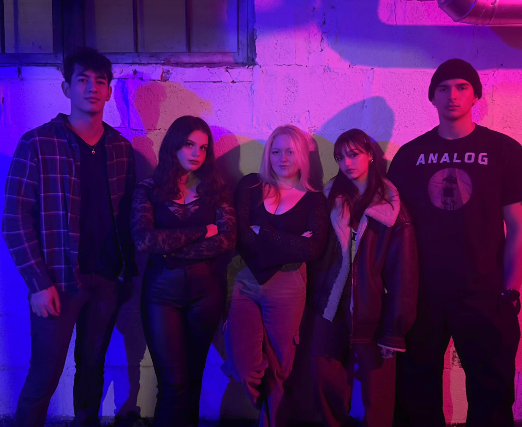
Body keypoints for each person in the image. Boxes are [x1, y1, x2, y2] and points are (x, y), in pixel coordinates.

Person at [2, 47, 136, 427]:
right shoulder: (37, 143)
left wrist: (125, 274)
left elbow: (127, 217)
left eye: (100, 81)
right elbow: (14, 219)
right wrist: (38, 283)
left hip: (106, 281)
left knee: (92, 370)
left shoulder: (121, 149)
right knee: (44, 376)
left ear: (109, 91)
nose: (92, 88)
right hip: (58, 283)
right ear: (66, 88)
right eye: (82, 80)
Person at [388, 58, 522, 427]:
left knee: (492, 392)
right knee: (415, 392)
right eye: (444, 88)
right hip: (422, 292)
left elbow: (517, 227)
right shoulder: (409, 156)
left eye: (462, 87)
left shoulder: (504, 151)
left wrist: (511, 292)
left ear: (476, 95)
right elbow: (393, 228)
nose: (453, 95)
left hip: (484, 290)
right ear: (432, 97)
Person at [130, 115, 236, 427]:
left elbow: (227, 239)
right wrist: (203, 230)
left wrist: (170, 246)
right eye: (189, 144)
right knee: (173, 384)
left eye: (203, 147)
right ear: (174, 144)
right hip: (161, 295)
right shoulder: (149, 189)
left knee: (192, 379)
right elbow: (144, 240)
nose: (196, 153)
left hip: (206, 294)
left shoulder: (216, 189)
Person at [308, 129, 418, 427]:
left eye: (353, 154)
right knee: (324, 379)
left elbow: (404, 272)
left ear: (370, 154)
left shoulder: (392, 207)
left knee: (378, 390)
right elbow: (317, 257)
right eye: (340, 157)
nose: (346, 163)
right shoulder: (328, 199)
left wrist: (394, 330)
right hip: (330, 306)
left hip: (373, 309)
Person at [223, 124, 329, 427]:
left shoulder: (314, 200)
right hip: (246, 281)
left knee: (281, 369)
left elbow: (312, 249)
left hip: (289, 284)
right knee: (243, 365)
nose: (282, 158)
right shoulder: (250, 186)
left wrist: (264, 233)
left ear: (302, 156)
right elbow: (241, 237)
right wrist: (291, 243)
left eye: (290, 151)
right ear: (268, 154)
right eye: (276, 151)